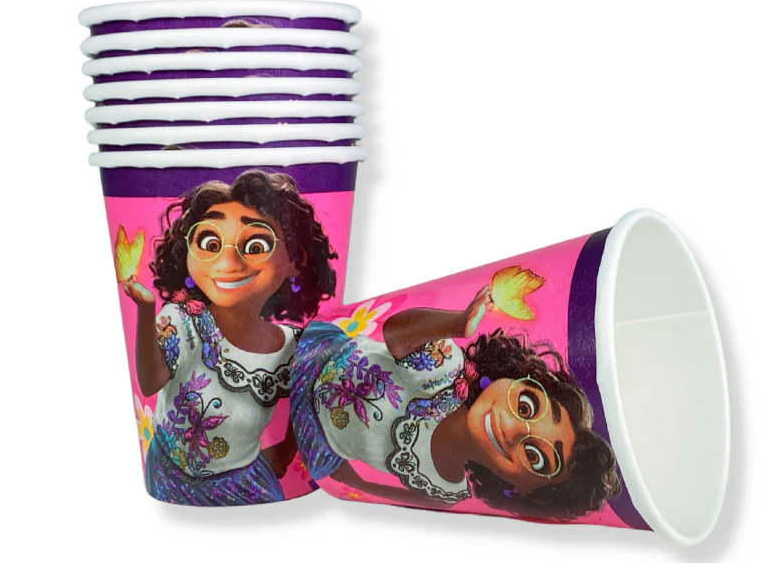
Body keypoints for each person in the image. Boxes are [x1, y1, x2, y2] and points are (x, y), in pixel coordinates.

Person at [290, 284, 619, 520]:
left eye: (535, 457)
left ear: (525, 490)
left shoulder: (445, 491)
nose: (514, 428)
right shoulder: (445, 369)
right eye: (526, 407)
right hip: (313, 356)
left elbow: (374, 489)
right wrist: (457, 324)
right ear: (515, 378)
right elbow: (395, 335)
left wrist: (346, 480)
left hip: (316, 444)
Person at [123, 170, 337, 505]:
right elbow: (151, 383)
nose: (227, 262)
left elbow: (309, 409)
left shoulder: (296, 345)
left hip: (247, 485)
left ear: (296, 259)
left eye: (256, 245)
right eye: (210, 243)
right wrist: (146, 311)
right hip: (167, 475)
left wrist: (284, 453)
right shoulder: (184, 322)